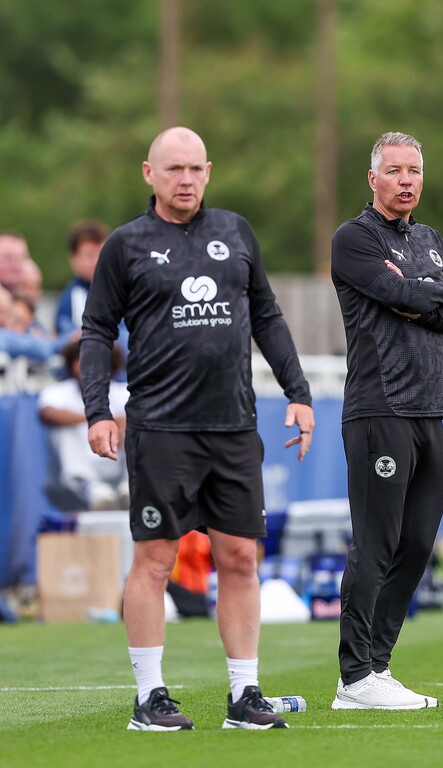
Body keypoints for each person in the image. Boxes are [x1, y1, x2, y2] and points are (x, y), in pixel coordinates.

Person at [80, 126, 315, 731]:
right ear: (148, 174)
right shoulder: (126, 246)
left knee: (239, 557)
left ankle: (244, 696)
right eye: (173, 169)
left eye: (194, 169)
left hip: (234, 428)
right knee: (156, 559)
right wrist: (98, 410)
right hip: (160, 429)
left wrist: (298, 393)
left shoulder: (235, 232)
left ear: (208, 171)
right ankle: (150, 697)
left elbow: (267, 315)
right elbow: (98, 332)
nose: (185, 179)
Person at [329, 131, 443, 709]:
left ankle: (378, 666)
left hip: (429, 409)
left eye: (414, 170)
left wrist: (419, 294)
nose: (407, 180)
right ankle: (353, 676)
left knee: (417, 543)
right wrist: (419, 295)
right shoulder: (354, 238)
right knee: (376, 542)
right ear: (373, 179)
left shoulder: (431, 239)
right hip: (378, 408)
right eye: (394, 170)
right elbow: (391, 291)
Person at [39, 338, 128, 511]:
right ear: (72, 364)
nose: (90, 366)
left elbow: (134, 417)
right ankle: (93, 490)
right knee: (65, 429)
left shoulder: (124, 392)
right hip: (75, 476)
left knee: (136, 428)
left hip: (117, 463)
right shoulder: (57, 392)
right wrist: (97, 420)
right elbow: (47, 413)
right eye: (83, 359)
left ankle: (129, 487)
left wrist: (114, 423)